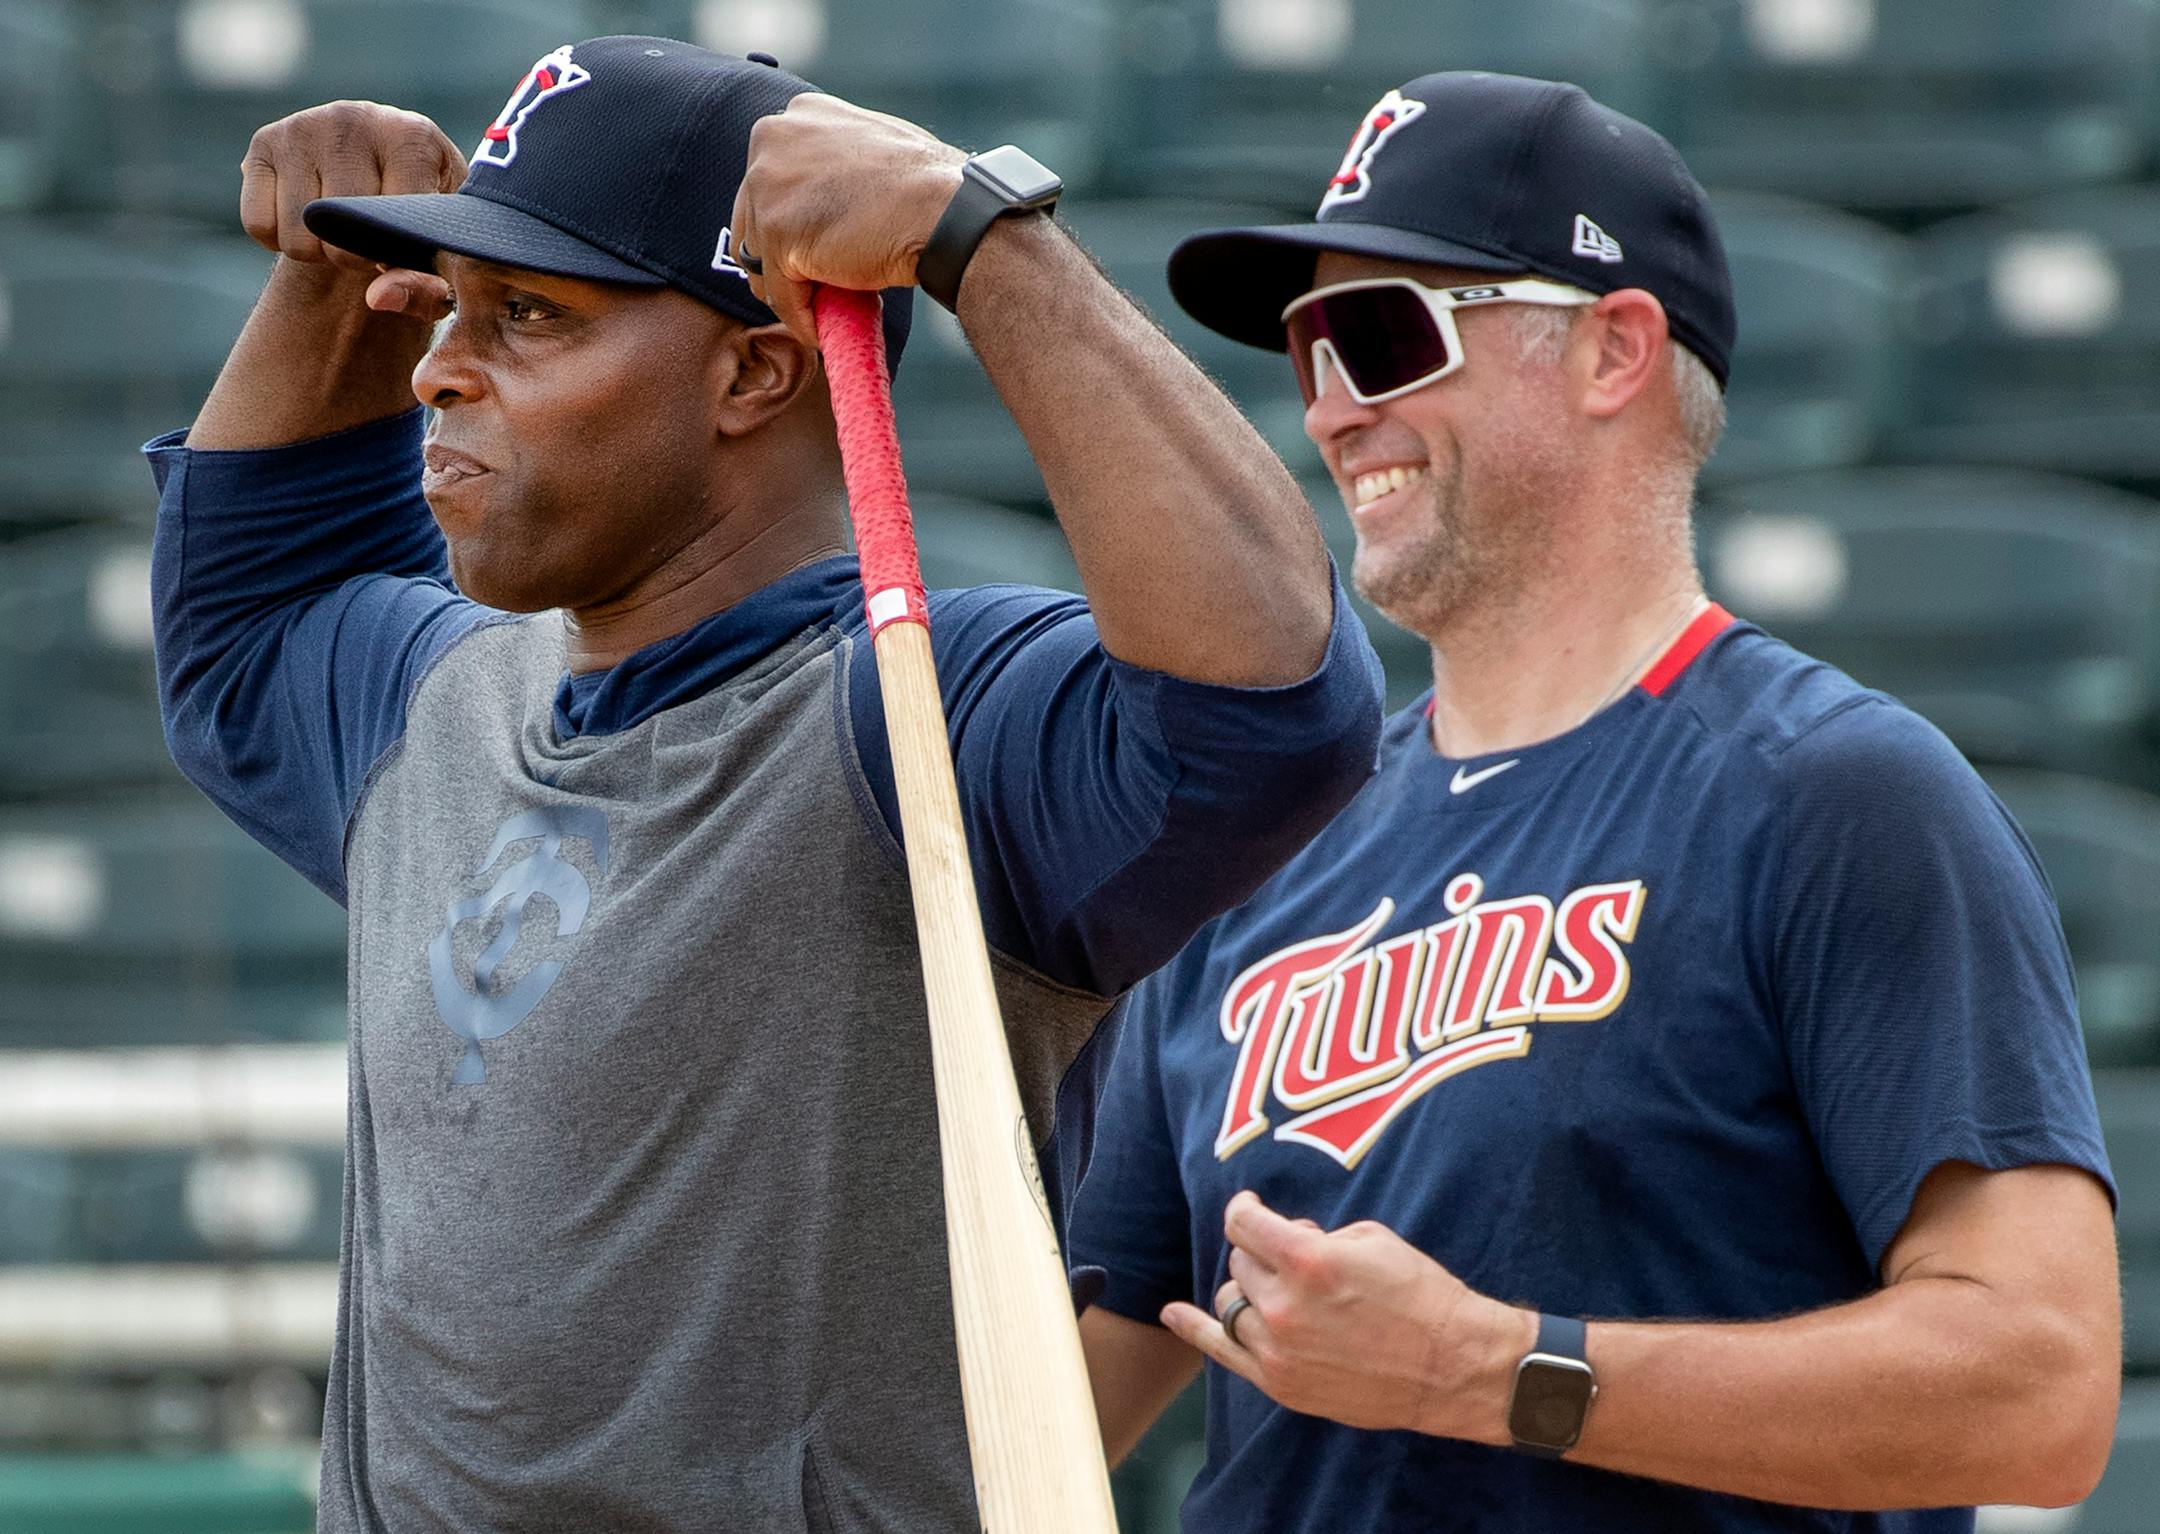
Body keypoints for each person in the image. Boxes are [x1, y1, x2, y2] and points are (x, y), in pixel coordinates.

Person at [145, 36, 1384, 1532]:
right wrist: (323, 283)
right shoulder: (437, 698)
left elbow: (1271, 714)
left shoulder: (917, 715)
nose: (437, 370)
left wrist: (984, 243)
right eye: (447, 310)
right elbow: (237, 621)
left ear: (753, 370)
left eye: (529, 314)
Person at [1068, 71, 2120, 1532]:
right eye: (1308, 352)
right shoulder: (1266, 844)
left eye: (1379, 336)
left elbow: (2039, 1388)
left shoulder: (1839, 796)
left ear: (1612, 350)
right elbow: (1036, 1417)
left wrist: (1496, 1371)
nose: (1331, 409)